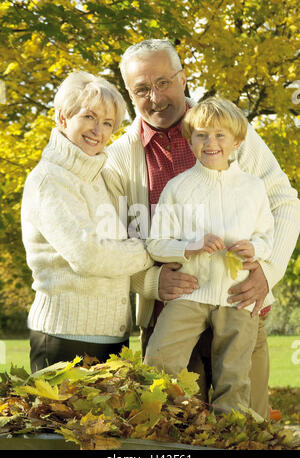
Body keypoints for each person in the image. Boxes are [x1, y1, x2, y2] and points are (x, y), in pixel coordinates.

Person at [102, 39, 300, 418]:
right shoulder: (117, 159)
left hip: (241, 303)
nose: (155, 98)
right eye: (142, 89)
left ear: (183, 77)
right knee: (167, 424)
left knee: (243, 421)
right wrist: (150, 280)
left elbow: (284, 203)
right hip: (170, 313)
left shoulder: (229, 129)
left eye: (163, 83)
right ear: (129, 93)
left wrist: (268, 273)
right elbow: (112, 241)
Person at [144, 97, 274, 412]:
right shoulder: (177, 188)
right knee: (158, 361)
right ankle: (162, 425)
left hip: (235, 295)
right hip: (190, 291)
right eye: (201, 135)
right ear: (191, 141)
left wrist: (254, 249)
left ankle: (230, 433)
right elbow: (157, 244)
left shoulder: (253, 188)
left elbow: (267, 236)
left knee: (235, 374)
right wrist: (190, 246)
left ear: (237, 141)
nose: (210, 143)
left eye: (220, 135)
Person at [21, 71, 153, 372]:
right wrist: (152, 247)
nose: (98, 130)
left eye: (108, 123)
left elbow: (119, 248)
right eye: (89, 117)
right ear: (63, 118)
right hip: (64, 338)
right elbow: (88, 255)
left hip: (115, 338)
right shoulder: (49, 180)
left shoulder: (104, 178)